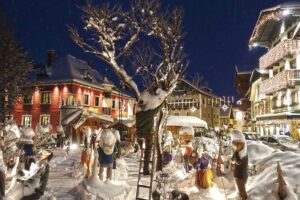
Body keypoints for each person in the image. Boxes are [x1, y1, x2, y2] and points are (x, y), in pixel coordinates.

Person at [231, 129, 248, 200]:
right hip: (238, 175)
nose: (234, 145)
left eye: (237, 144)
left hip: (241, 176)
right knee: (240, 190)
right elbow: (233, 160)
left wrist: (235, 153)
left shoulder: (243, 154)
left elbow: (238, 162)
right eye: (234, 144)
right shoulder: (238, 153)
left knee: (242, 190)